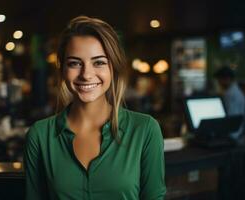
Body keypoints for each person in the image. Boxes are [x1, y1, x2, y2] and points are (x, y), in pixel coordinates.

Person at [24, 16, 166, 200]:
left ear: (112, 68)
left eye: (99, 62)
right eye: (74, 63)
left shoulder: (146, 130)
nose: (86, 75)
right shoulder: (40, 135)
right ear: (63, 70)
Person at [213, 65, 245, 140]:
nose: (218, 82)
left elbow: (231, 117)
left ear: (227, 79)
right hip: (237, 133)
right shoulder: (235, 92)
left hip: (232, 135)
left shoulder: (231, 94)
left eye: (219, 79)